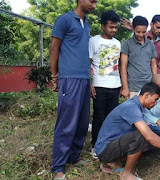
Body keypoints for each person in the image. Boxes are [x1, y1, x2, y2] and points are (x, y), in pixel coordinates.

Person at [94, 82, 160, 180]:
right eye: (155, 99)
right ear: (147, 95)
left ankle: (115, 162)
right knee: (143, 136)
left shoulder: (136, 106)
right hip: (104, 150)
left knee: (152, 139)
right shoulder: (131, 107)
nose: (156, 103)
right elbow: (148, 136)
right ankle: (126, 174)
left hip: (113, 144)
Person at [49, 0, 96, 179]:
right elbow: (54, 49)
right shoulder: (64, 20)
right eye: (92, 1)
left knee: (83, 122)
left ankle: (73, 157)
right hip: (69, 78)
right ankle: (58, 167)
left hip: (84, 79)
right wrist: (55, 77)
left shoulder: (87, 24)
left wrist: (89, 81)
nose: (94, 5)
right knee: (66, 122)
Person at [89, 10, 121, 159]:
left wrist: (121, 86)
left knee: (111, 118)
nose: (114, 30)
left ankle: (108, 145)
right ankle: (95, 146)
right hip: (99, 85)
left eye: (115, 27)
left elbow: (119, 65)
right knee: (98, 117)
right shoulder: (94, 41)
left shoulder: (117, 43)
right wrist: (90, 84)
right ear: (103, 26)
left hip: (115, 86)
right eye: (111, 27)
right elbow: (88, 64)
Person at [120, 16, 157, 99]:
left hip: (148, 87)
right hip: (132, 88)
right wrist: (125, 87)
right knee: (133, 111)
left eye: (143, 32)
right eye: (138, 32)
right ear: (133, 29)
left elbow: (153, 64)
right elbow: (123, 67)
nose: (141, 34)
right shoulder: (126, 44)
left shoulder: (150, 44)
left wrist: (154, 83)